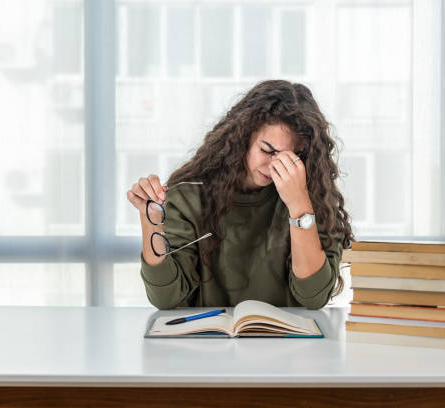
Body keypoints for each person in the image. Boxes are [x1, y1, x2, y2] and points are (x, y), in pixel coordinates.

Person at [126, 79, 353, 310]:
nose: (276, 167)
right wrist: (151, 220)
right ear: (243, 138)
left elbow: (313, 297)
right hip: (208, 341)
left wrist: (299, 205)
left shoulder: (314, 196)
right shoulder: (190, 197)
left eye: (293, 158)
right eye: (267, 150)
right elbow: (166, 298)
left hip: (288, 342)